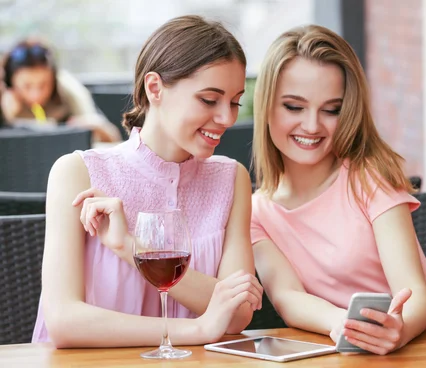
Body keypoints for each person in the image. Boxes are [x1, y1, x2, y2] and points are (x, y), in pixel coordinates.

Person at [33, 15, 263, 348]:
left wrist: (129, 247)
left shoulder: (231, 178)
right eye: (209, 100)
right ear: (154, 88)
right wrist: (197, 330)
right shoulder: (77, 172)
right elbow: (63, 322)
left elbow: (238, 314)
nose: (227, 118)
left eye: (235, 102)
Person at [250, 25, 426, 356]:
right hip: (358, 350)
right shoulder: (255, 212)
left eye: (331, 109)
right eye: (294, 107)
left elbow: (415, 295)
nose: (311, 126)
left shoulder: (368, 177)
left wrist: (397, 330)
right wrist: (345, 324)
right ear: (266, 107)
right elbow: (288, 297)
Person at [1, 39, 121, 142]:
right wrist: (7, 116)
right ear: (11, 81)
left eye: (44, 85)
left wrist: (93, 126)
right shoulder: (4, 96)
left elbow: (114, 139)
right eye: (27, 86)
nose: (36, 94)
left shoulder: (68, 90)